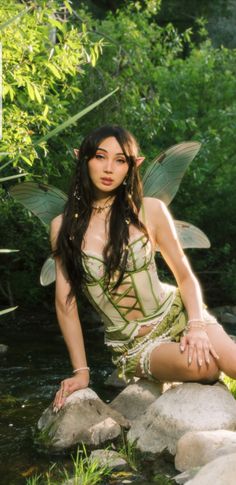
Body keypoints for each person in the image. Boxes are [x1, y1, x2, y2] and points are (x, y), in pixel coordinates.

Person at [51, 125, 236, 412]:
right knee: (206, 367)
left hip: (179, 313)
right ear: (84, 159)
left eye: (120, 160)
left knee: (233, 362)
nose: (109, 168)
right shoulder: (63, 227)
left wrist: (196, 326)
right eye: (100, 156)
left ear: (132, 166)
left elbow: (185, 276)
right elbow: (65, 303)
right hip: (135, 344)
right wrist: (81, 371)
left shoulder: (150, 210)